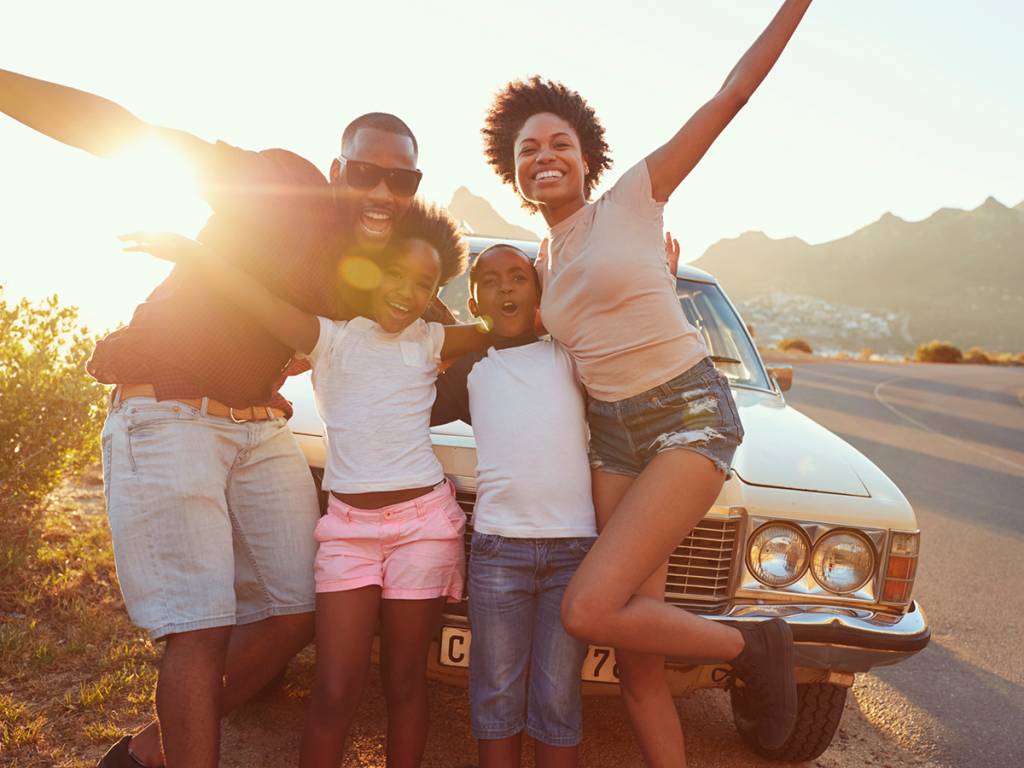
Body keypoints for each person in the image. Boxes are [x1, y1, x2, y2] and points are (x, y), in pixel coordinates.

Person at [0, 69, 452, 768]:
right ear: (337, 169)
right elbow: (130, 134)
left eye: (404, 181)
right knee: (201, 628)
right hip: (167, 409)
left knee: (299, 607)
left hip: (259, 426)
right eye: (367, 172)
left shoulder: (370, 267)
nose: (384, 193)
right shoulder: (280, 180)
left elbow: (449, 321)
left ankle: (146, 756)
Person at [480, 2, 814, 765]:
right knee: (638, 655)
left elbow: (729, 96)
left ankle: (751, 644)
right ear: (514, 168)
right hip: (613, 439)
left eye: (558, 142)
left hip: (689, 415)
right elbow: (513, 334)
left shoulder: (632, 197)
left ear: (585, 155)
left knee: (590, 608)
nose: (544, 156)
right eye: (528, 149)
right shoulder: (540, 263)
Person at [123, 201, 485, 768]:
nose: (407, 292)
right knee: (336, 688)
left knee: (405, 685)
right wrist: (191, 251)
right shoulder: (329, 337)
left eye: (425, 284)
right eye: (396, 274)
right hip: (348, 533)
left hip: (423, 528)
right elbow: (252, 295)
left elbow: (508, 327)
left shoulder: (432, 340)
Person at [431, 244, 596, 768]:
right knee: (497, 692)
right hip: (499, 551)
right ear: (475, 299)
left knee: (558, 695)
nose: (505, 287)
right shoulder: (472, 370)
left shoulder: (571, 356)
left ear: (539, 290)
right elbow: (405, 399)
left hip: (574, 550)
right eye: (490, 279)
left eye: (518, 277)